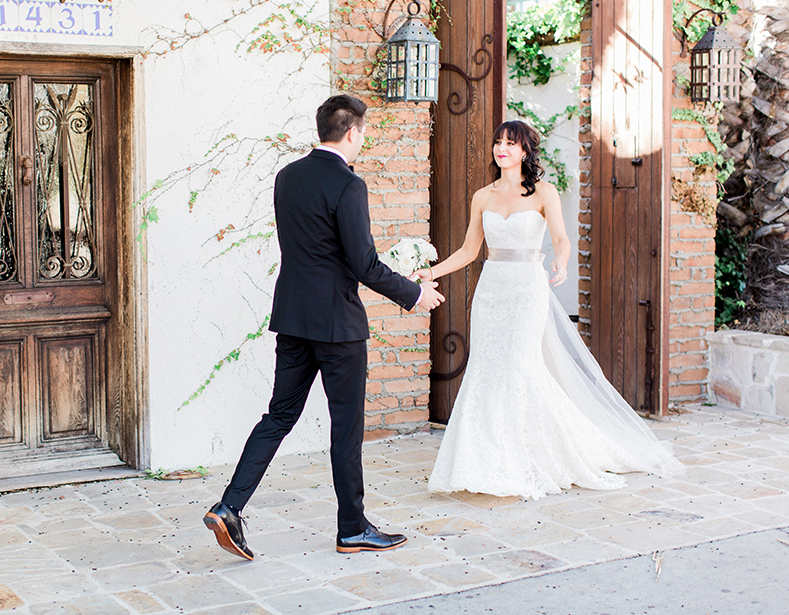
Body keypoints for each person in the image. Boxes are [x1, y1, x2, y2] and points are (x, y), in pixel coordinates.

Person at [203, 94, 445, 560]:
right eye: (364, 132)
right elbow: (364, 265)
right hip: (338, 326)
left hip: (294, 317)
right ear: (352, 132)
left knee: (278, 417)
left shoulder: (287, 177)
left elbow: (310, 249)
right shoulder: (348, 185)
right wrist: (414, 294)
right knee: (345, 428)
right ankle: (352, 529)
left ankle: (229, 506)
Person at [414, 120, 683, 500]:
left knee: (520, 366)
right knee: (486, 368)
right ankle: (480, 459)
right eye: (497, 142)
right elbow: (468, 251)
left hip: (527, 290)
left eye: (510, 142)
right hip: (492, 291)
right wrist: (431, 271)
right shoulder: (482, 197)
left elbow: (560, 237)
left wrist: (561, 261)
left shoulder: (544, 192)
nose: (501, 148)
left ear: (525, 151)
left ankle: (534, 453)